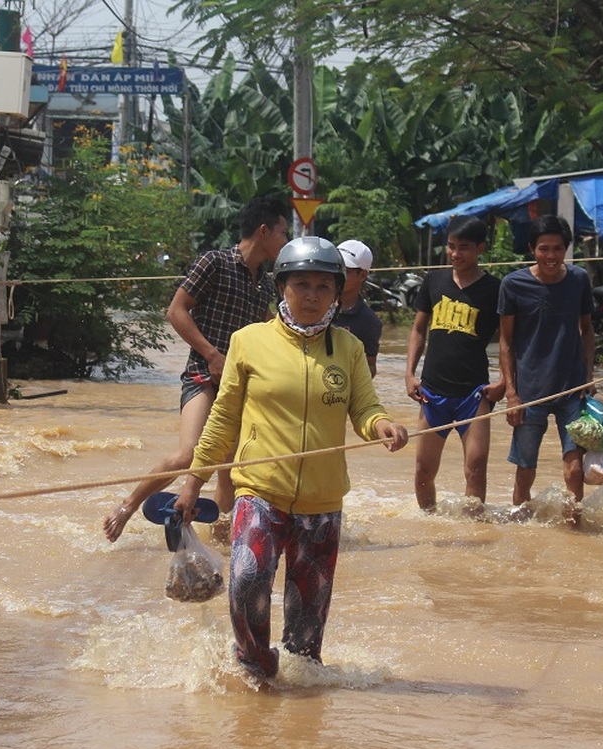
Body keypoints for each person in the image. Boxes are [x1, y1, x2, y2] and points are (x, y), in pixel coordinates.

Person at [173, 237, 408, 680]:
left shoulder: (349, 348)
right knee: (246, 583)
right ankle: (256, 668)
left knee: (306, 627)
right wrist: (193, 483)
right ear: (282, 286)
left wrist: (382, 427)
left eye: (324, 286)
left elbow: (364, 408)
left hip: (321, 502)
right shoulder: (248, 342)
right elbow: (223, 417)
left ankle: (300, 712)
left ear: (337, 293)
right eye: (302, 284)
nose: (312, 296)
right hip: (259, 490)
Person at [102, 196, 289, 542]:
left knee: (230, 471)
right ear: (263, 231)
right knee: (189, 455)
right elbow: (176, 311)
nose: (285, 241)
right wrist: (213, 355)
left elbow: (264, 327)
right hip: (202, 377)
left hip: (238, 385)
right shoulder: (214, 263)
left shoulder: (265, 282)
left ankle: (221, 540)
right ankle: (127, 507)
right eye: (283, 233)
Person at [497, 214, 595, 520]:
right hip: (530, 394)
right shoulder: (513, 284)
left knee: (575, 468)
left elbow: (588, 330)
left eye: (557, 248)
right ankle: (518, 522)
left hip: (572, 391)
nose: (550, 256)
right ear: (532, 249)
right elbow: (506, 342)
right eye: (543, 249)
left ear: (566, 248)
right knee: (525, 467)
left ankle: (573, 526)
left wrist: (589, 378)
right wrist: (512, 394)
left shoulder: (579, 280)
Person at [405, 216, 503, 513]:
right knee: (423, 472)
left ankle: (474, 531)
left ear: (480, 249)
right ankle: (431, 527)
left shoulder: (495, 289)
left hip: (474, 394)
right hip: (433, 391)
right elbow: (418, 331)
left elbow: (512, 343)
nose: (456, 254)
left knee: (475, 469)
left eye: (464, 248)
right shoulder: (434, 281)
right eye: (451, 247)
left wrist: (506, 383)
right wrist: (409, 374)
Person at [334, 239, 383, 378]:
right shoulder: (316, 305)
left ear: (362, 275)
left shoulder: (369, 322)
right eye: (336, 268)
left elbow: (370, 366)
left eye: (345, 271)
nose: (338, 275)